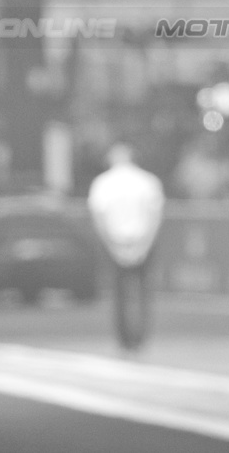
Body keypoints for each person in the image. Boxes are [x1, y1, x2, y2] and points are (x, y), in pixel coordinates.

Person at [87, 144, 165, 353]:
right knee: (143, 293)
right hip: (142, 240)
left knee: (118, 294)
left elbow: (99, 218)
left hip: (115, 240)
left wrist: (112, 247)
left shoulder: (102, 183)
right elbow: (154, 217)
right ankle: (140, 338)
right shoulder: (148, 181)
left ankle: (124, 339)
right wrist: (145, 245)